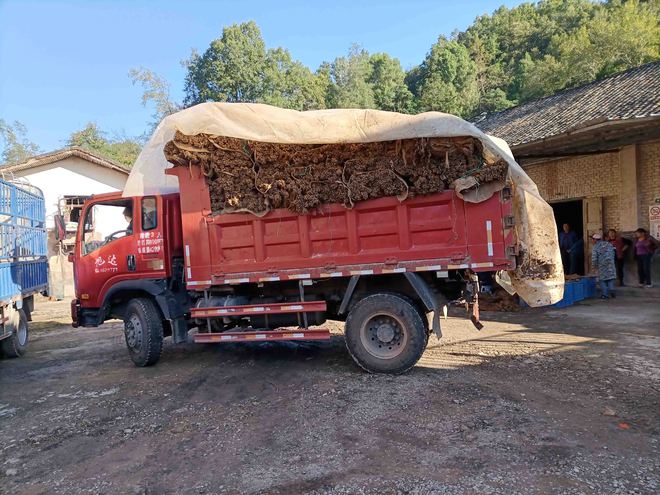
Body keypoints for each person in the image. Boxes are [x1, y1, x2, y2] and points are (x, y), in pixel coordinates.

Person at [591, 233, 616, 299]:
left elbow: (594, 258)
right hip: (610, 264)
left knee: (602, 280)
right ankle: (612, 290)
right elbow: (613, 253)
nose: (592, 241)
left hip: (602, 265)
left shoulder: (595, 247)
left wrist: (594, 267)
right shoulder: (609, 244)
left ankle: (605, 295)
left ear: (595, 240)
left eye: (593, 239)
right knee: (610, 278)